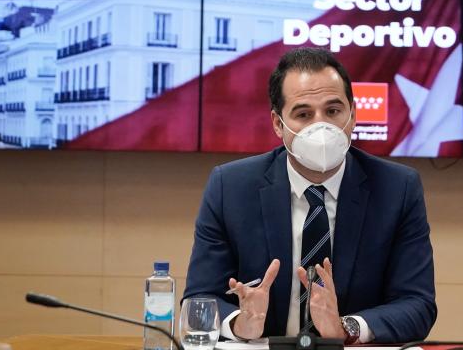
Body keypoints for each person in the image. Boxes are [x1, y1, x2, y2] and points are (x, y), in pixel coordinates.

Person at [183, 47, 436, 344]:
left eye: (333, 111)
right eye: (303, 114)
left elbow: (418, 305)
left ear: (352, 116)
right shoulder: (231, 187)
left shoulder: (397, 188)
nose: (321, 125)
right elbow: (198, 300)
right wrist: (240, 323)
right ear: (279, 124)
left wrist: (347, 328)